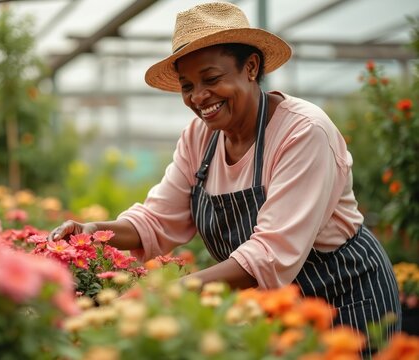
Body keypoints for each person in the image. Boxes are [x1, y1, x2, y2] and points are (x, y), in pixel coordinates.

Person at [49, 1, 401, 354]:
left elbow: (270, 254)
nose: (199, 97)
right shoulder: (199, 138)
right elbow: (157, 219)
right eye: (188, 86)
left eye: (212, 79)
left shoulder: (303, 133)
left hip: (346, 299)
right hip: (273, 307)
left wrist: (171, 291)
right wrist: (92, 232)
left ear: (250, 67)